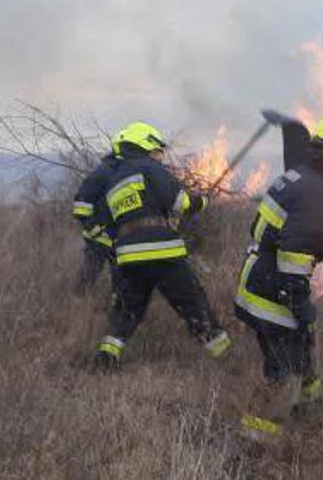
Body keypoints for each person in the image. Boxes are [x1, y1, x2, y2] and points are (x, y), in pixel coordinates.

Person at [234, 111, 323, 439]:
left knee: (302, 354)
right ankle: (253, 444)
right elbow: (294, 250)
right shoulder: (317, 192)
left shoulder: (301, 178)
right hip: (273, 294)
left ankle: (308, 416)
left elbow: (298, 234)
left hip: (260, 282)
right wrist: (299, 304)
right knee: (285, 374)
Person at [93, 121, 232, 369]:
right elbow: (180, 203)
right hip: (162, 251)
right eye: (157, 150)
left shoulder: (114, 181)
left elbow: (120, 219)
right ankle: (226, 358)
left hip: (127, 255)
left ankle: (107, 356)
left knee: (127, 309)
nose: (159, 156)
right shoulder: (148, 166)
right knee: (192, 302)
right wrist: (202, 203)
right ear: (146, 145)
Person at [71, 150, 119, 293]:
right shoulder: (103, 172)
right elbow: (81, 203)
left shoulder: (121, 171)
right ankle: (77, 303)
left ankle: (117, 306)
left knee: (120, 276)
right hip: (99, 236)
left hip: (117, 236)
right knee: (90, 272)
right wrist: (92, 227)